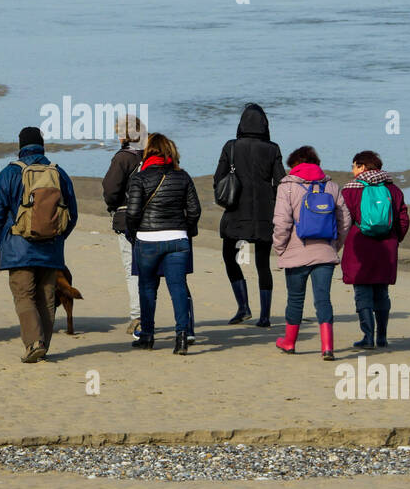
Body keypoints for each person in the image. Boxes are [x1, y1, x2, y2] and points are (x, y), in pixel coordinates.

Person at [0, 127, 78, 363]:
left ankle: (34, 344)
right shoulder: (59, 174)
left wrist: (3, 239)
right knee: (47, 298)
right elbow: (72, 215)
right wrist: (58, 238)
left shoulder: (9, 174)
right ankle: (43, 345)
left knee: (24, 296)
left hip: (18, 248)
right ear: (42, 145)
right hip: (51, 249)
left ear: (20, 147)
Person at [124, 133, 201, 354]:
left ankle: (147, 336)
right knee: (177, 289)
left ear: (148, 152)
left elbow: (132, 212)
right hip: (177, 239)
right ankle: (182, 337)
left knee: (147, 288)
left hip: (147, 239)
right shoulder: (183, 176)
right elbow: (195, 210)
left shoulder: (139, 178)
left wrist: (133, 233)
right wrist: (186, 228)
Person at [271, 146, 351, 358]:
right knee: (323, 299)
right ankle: (327, 346)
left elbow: (281, 222)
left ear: (294, 165)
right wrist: (335, 246)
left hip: (295, 253)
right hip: (325, 252)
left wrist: (280, 248)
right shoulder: (332, 186)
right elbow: (345, 221)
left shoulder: (286, 187)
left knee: (295, 299)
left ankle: (289, 342)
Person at [215, 103, 282, 327]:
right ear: (265, 124)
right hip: (266, 214)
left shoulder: (231, 146)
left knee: (230, 257)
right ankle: (265, 317)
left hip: (236, 213)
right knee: (262, 263)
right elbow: (281, 182)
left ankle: (243, 307)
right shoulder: (272, 148)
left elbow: (218, 179)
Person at [339, 150, 410, 352]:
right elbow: (403, 219)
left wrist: (340, 242)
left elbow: (343, 221)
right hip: (385, 249)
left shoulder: (350, 190)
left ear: (362, 167)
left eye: (354, 166)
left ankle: (367, 336)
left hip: (359, 247)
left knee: (362, 293)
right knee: (382, 293)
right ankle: (382, 336)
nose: (352, 170)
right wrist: (396, 238)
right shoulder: (393, 189)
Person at [102, 114, 147, 335]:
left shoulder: (122, 158)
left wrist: (113, 206)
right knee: (152, 270)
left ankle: (138, 316)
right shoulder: (151, 155)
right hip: (154, 221)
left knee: (133, 270)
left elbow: (110, 190)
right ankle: (148, 314)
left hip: (127, 219)